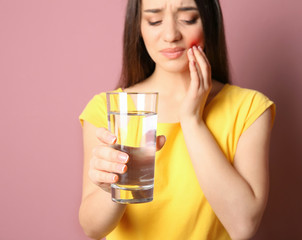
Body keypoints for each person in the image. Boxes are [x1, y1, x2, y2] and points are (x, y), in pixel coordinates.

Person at [79, 0, 275, 239]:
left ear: (209, 24)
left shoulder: (249, 108)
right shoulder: (109, 109)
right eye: (154, 20)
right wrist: (116, 182)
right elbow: (92, 228)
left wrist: (192, 120)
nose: (171, 35)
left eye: (188, 19)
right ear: (138, 28)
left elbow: (243, 225)